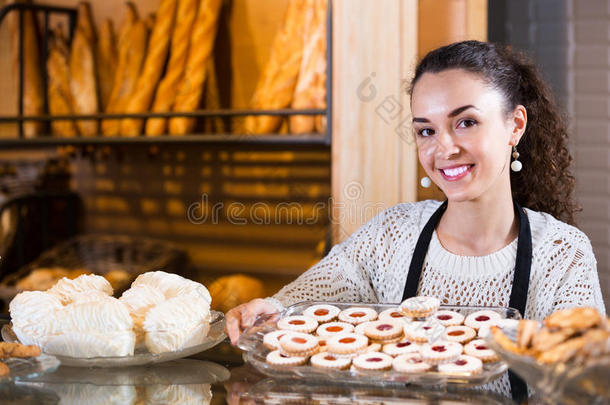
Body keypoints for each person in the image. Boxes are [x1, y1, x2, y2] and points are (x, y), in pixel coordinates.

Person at [225, 40, 606, 397]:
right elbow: (310, 297)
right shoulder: (392, 234)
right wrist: (271, 310)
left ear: (515, 126)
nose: (444, 149)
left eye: (466, 122)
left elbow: (584, 383)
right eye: (426, 130)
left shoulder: (562, 253)